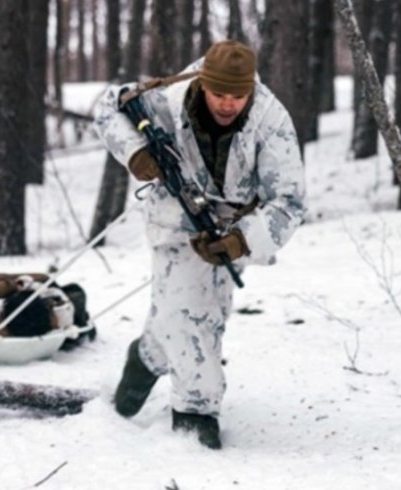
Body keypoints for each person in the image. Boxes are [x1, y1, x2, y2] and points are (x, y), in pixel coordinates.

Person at [92, 40, 305, 449]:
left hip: (229, 231)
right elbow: (107, 106)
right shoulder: (169, 98)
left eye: (237, 96)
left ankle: (148, 357)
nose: (228, 104)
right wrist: (136, 153)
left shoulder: (272, 120)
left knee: (195, 312)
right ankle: (195, 418)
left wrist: (240, 242)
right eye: (219, 94)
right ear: (203, 83)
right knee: (194, 315)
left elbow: (290, 202)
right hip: (173, 221)